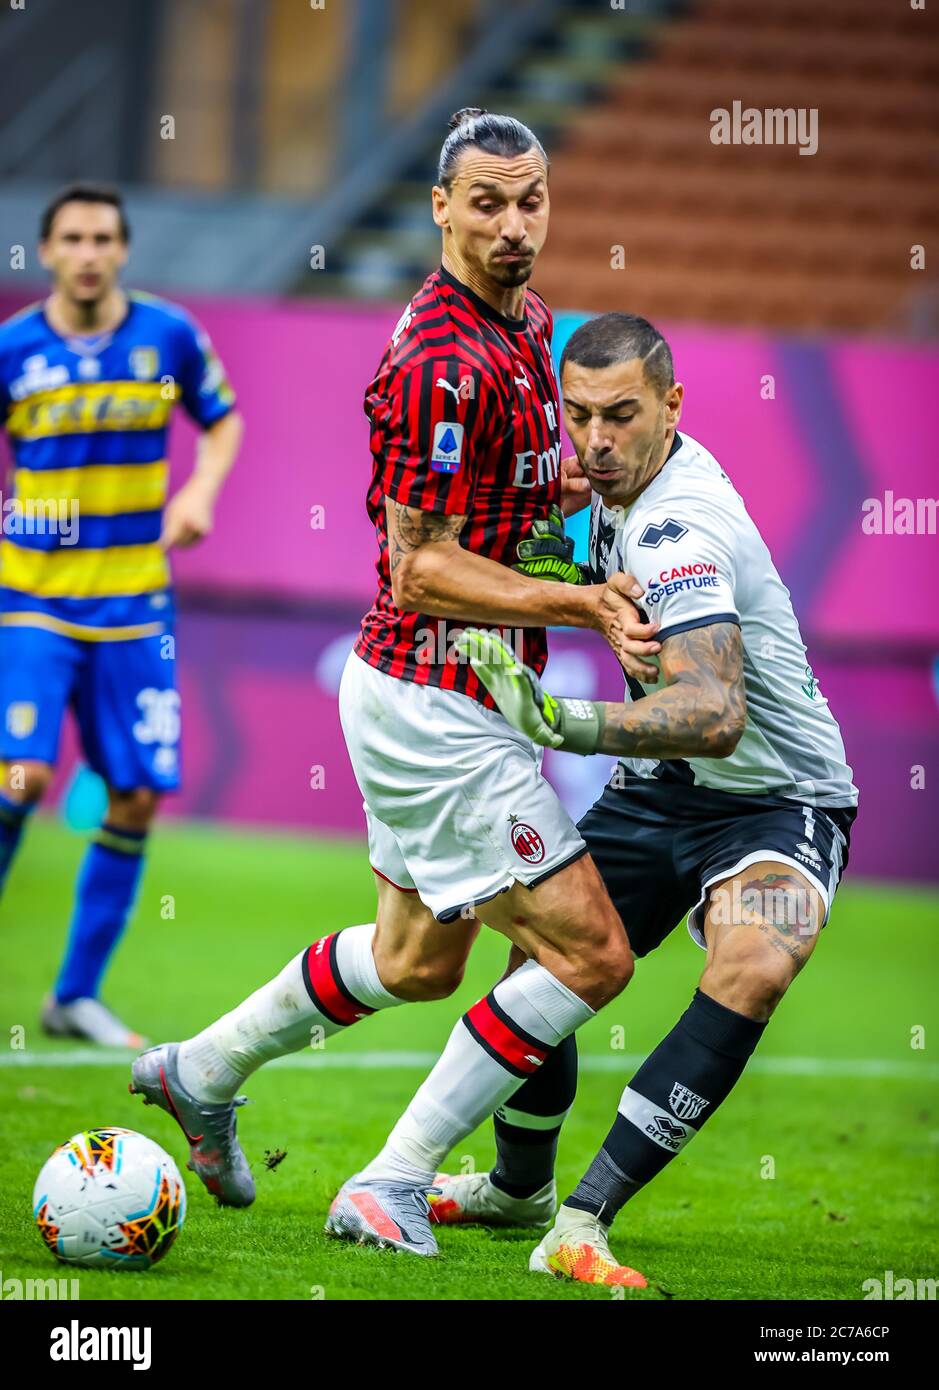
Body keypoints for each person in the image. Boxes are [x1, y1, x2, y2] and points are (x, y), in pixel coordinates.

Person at [128, 112, 656, 1232]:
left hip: (451, 690)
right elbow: (420, 569)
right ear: (441, 208)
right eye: (488, 203)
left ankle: (203, 1071)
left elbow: (515, 500)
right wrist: (583, 601)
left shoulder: (530, 324)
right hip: (436, 697)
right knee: (593, 952)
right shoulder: (434, 360)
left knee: (418, 961)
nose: (514, 225)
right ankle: (393, 1179)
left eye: (531, 200)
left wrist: (614, 479)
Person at [432, 310, 858, 1285]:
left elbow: (712, 714)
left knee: (753, 962)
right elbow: (543, 569)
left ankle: (580, 1220)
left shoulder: (684, 524)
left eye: (621, 415)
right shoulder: (613, 490)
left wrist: (561, 720)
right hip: (656, 792)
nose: (596, 439)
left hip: (778, 801)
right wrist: (527, 512)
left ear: (673, 405)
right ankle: (517, 1188)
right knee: (541, 948)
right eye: (578, 414)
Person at [0, 183, 242, 1046]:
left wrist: (201, 491)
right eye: (73, 237)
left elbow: (221, 421)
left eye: (105, 236)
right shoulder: (13, 349)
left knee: (135, 794)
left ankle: (72, 996)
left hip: (136, 603)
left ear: (123, 249)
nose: (91, 251)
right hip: (32, 595)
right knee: (19, 779)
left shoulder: (167, 336)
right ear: (49, 251)